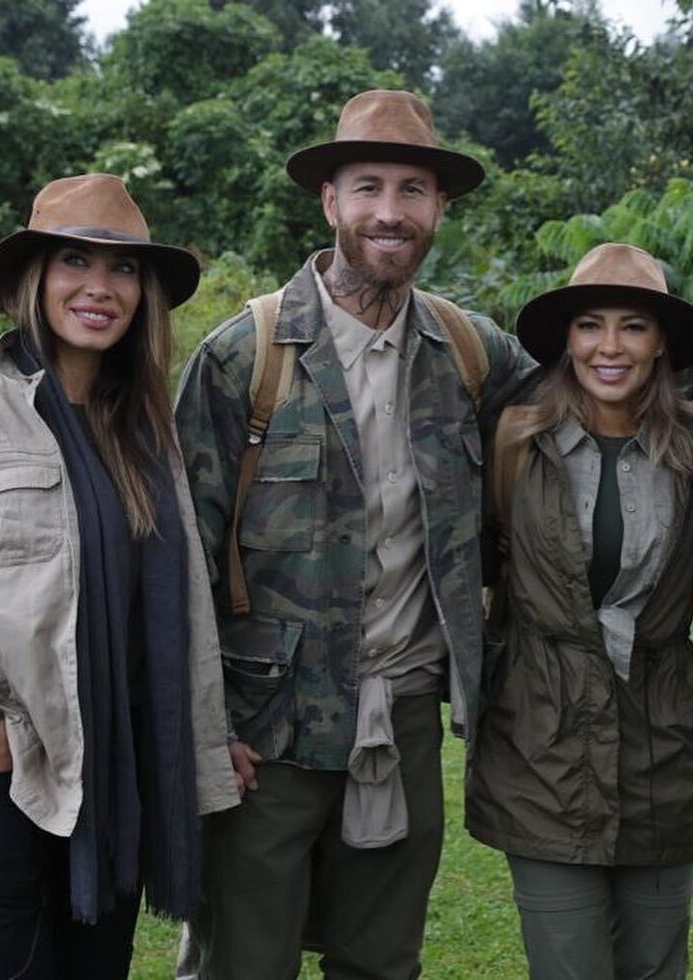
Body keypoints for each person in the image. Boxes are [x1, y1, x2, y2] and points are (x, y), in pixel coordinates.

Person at [174, 89, 536, 980]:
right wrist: (204, 726)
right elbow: (179, 559)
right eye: (367, 186)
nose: (390, 210)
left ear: (439, 208)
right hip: (266, 731)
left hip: (404, 716)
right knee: (243, 963)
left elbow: (606, 379)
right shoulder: (243, 356)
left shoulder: (469, 351)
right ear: (330, 201)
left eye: (413, 189)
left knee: (380, 960)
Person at [0, 173, 239, 979]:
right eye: (76, 262)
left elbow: (181, 605)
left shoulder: (147, 433)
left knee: (95, 962)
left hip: (121, 767)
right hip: (8, 764)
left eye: (124, 269)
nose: (101, 287)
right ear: (34, 282)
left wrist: (208, 734)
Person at [465, 242, 693, 980]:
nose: (609, 347)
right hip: (541, 740)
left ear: (661, 345)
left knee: (655, 960)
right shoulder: (515, 441)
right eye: (590, 325)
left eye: (633, 326)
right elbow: (476, 564)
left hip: (666, 743)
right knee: (569, 963)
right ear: (566, 340)